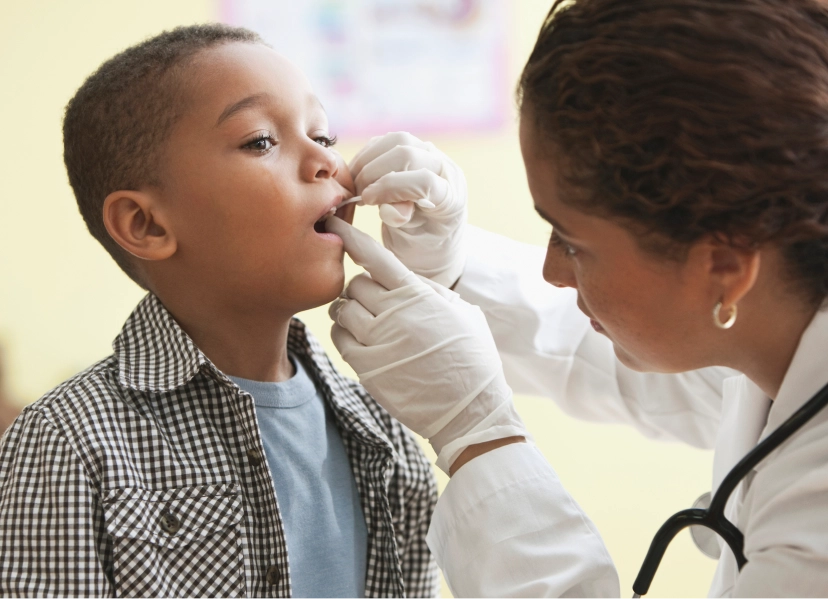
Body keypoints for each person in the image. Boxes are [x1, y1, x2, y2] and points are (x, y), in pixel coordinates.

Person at [326, 0, 828, 597]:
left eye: (571, 241)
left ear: (724, 264)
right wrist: (451, 271)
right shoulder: (776, 328)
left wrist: (481, 436)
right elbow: (612, 347)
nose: (551, 270)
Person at [0, 25, 439, 598]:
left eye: (324, 134)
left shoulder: (385, 432)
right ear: (147, 224)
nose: (326, 162)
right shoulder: (67, 441)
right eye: (260, 141)